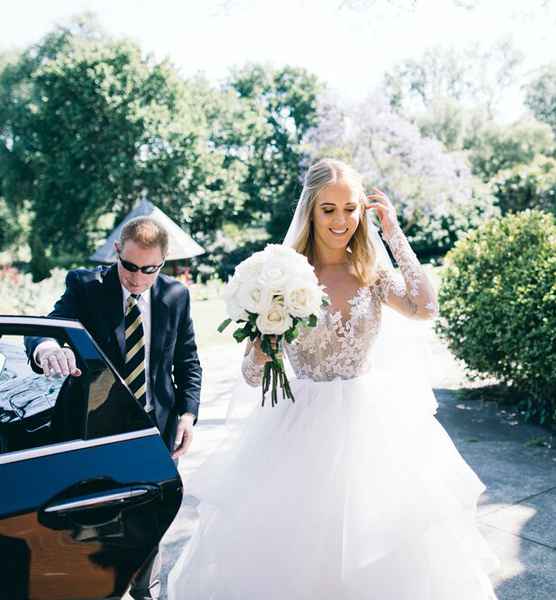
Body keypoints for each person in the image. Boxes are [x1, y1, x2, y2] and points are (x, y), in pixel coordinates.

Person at [167, 159, 499, 599]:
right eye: (329, 209)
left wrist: (393, 233)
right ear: (310, 210)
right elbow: (251, 375)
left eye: (350, 209)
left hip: (372, 425)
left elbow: (424, 306)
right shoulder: (281, 275)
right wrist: (265, 342)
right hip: (297, 427)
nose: (341, 220)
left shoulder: (370, 272)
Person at [25, 216, 202, 600]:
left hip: (153, 433)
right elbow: (47, 327)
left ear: (163, 262)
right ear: (117, 252)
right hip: (91, 433)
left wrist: (187, 414)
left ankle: (145, 591)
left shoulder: (176, 295)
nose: (137, 279)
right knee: (88, 530)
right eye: (130, 266)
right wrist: (49, 348)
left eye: (149, 269)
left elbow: (187, 362)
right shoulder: (86, 286)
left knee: (148, 524)